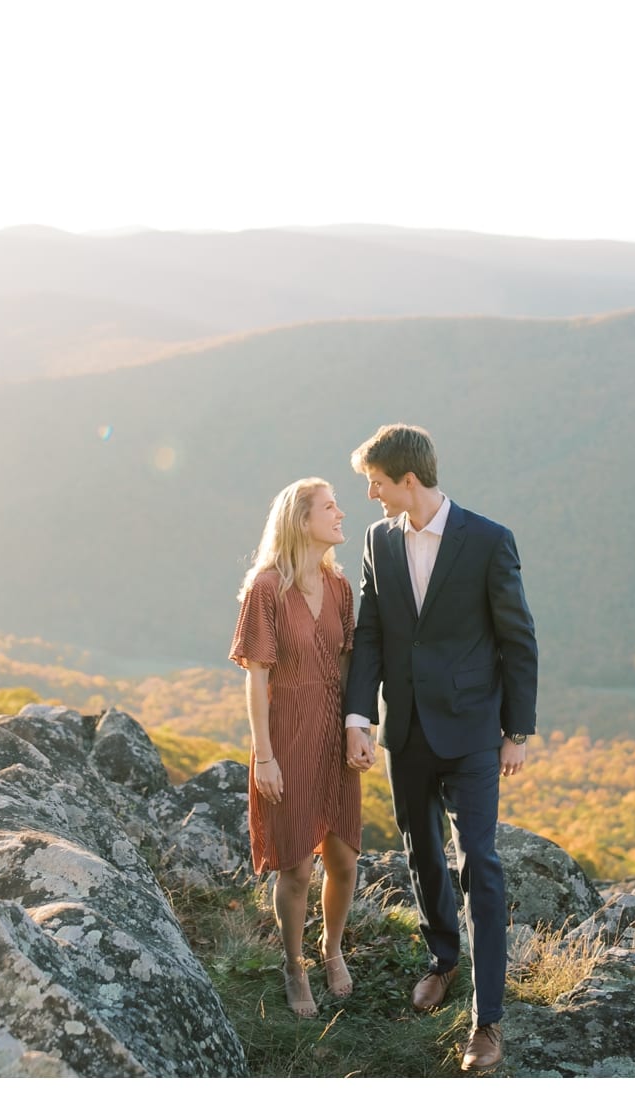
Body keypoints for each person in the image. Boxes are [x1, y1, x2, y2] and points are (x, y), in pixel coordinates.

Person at [342, 424, 538, 1073]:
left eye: (375, 480)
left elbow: (518, 639)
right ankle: (443, 958)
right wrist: (357, 716)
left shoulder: (487, 541)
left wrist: (517, 731)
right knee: (419, 848)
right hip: (405, 730)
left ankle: (487, 1023)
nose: (368, 494)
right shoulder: (378, 541)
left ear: (407, 479)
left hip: (474, 730)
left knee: (477, 861)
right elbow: (369, 632)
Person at [230, 477, 374, 1017]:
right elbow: (256, 676)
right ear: (302, 519)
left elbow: (347, 664)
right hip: (286, 735)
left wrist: (357, 728)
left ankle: (331, 949)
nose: (341, 513)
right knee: (294, 867)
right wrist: (263, 754)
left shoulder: (338, 587)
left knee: (344, 857)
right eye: (330, 506)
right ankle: (294, 964)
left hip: (333, 734)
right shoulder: (266, 588)